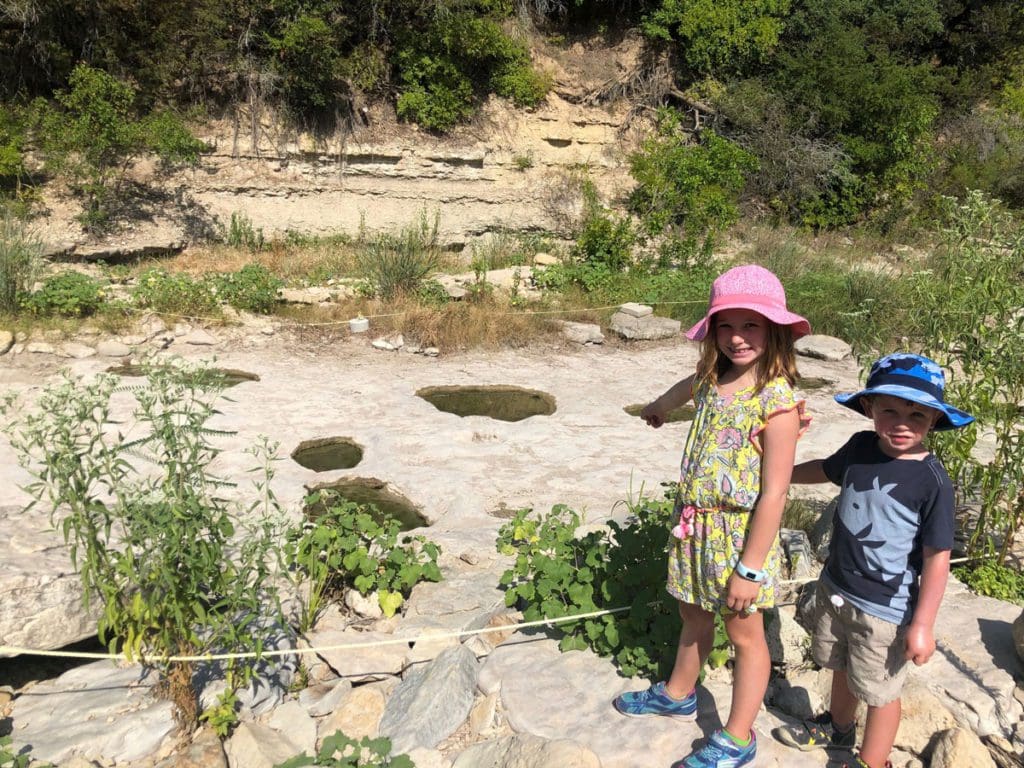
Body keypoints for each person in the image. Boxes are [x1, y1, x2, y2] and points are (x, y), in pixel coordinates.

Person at [613, 264, 811, 768]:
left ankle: (739, 736)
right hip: (696, 526)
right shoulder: (711, 376)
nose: (737, 337)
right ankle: (679, 693)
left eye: (752, 325)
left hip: (740, 536)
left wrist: (751, 566)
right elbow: (687, 386)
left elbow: (774, 494)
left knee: (744, 633)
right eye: (726, 325)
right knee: (693, 613)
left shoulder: (777, 403)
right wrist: (659, 405)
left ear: (775, 332)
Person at [775, 353, 974, 768]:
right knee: (840, 665)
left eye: (917, 415)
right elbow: (826, 469)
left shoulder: (932, 480)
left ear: (935, 419)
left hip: (886, 609)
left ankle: (873, 759)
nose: (903, 423)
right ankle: (838, 726)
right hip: (837, 587)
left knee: (882, 693)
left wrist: (921, 625)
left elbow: (937, 559)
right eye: (890, 410)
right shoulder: (861, 447)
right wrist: (782, 473)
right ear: (869, 408)